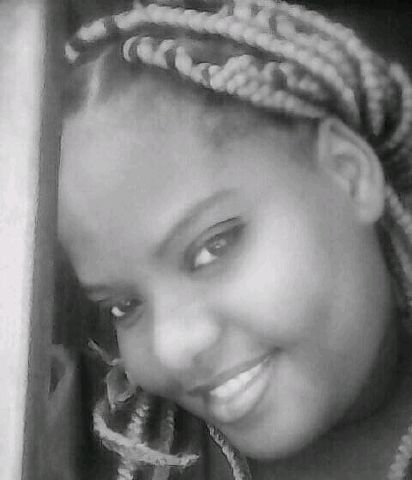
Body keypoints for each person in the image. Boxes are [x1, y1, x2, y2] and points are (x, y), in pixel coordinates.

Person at [58, 1, 412, 479]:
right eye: (124, 305)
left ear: (348, 174)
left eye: (213, 248)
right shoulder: (142, 457)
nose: (172, 347)